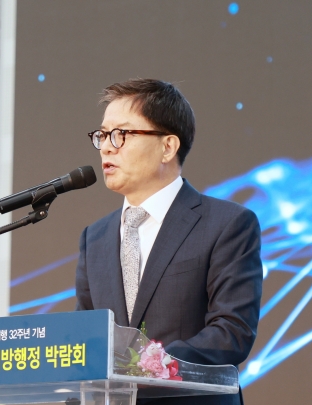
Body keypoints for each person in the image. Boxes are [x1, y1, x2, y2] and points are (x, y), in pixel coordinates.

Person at [75, 79, 263, 405]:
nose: (106, 147)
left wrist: (142, 367)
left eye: (121, 134)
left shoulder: (227, 224)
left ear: (168, 147)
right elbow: (85, 337)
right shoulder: (96, 237)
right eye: (102, 135)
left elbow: (232, 333)